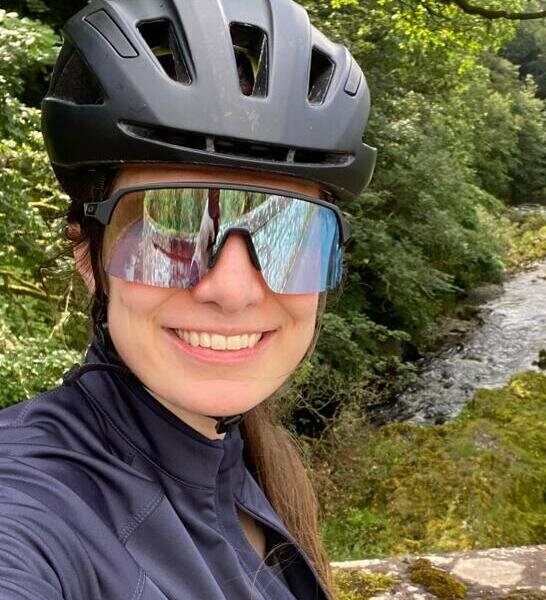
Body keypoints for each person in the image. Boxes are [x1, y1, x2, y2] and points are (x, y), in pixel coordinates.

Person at [0, 0, 375, 598]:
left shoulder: (238, 460)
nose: (232, 290)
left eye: (287, 233)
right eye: (168, 227)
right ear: (87, 255)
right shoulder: (31, 499)